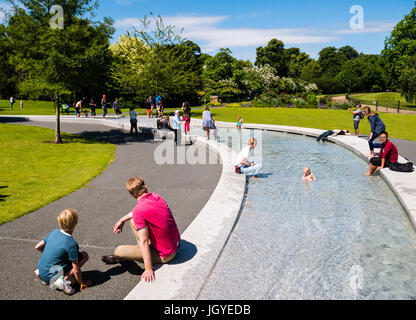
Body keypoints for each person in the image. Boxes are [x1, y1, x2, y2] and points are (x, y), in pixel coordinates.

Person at [101, 177, 181, 283]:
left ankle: (129, 257)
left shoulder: (139, 210)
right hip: (176, 244)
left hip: (166, 255)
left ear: (132, 195)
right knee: (133, 221)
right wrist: (122, 220)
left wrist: (148, 269)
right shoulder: (156, 196)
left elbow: (144, 241)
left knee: (118, 251)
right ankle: (144, 252)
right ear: (145, 187)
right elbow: (136, 212)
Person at [34, 209, 91, 295]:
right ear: (76, 223)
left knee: (76, 256)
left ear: (59, 223)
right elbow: (76, 270)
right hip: (53, 275)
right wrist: (82, 283)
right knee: (85, 256)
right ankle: (62, 281)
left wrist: (51, 255)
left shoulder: (54, 232)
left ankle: (43, 275)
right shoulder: (72, 244)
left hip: (41, 269)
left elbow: (37, 247)